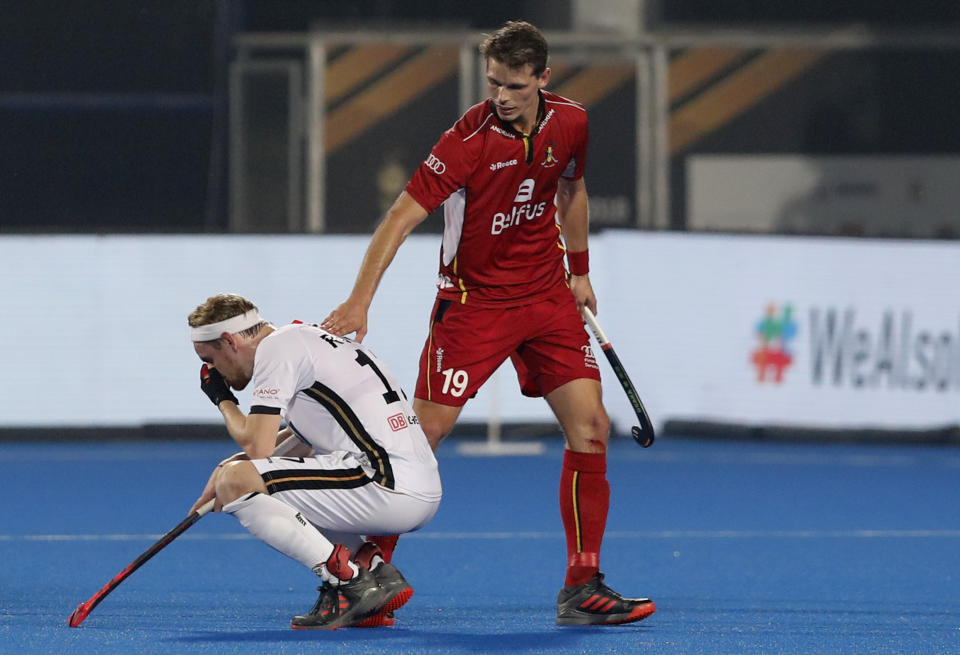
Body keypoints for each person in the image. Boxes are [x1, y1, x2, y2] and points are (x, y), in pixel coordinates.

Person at [322, 20, 655, 626]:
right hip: (473, 306)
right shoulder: (465, 141)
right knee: (421, 436)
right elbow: (399, 217)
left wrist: (579, 271)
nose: (501, 96)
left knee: (592, 427)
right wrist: (359, 300)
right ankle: (363, 575)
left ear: (542, 79)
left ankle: (582, 585)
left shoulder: (573, 122)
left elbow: (572, 190)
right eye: (494, 83)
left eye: (515, 86)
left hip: (548, 297)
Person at [188, 293, 442, 630]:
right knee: (239, 477)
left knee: (238, 480)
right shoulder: (303, 341)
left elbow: (259, 447)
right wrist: (226, 470)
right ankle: (376, 570)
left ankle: (348, 583)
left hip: (385, 482)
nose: (213, 371)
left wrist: (222, 400)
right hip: (412, 483)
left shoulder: (277, 350)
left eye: (211, 360)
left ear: (228, 340)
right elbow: (296, 448)